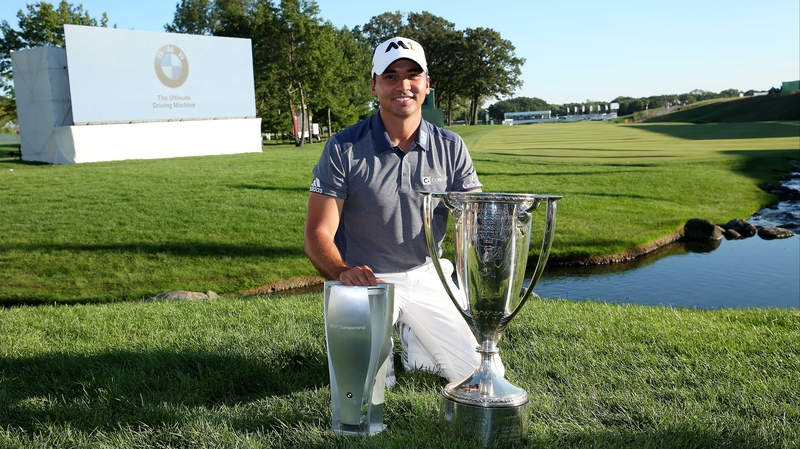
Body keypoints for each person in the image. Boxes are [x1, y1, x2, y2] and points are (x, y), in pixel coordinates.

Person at [304, 37, 496, 383]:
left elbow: (474, 219)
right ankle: (388, 346)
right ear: (374, 85)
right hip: (366, 280)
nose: (403, 85)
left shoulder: (451, 146)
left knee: (482, 377)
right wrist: (342, 271)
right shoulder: (343, 147)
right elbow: (317, 233)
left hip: (428, 273)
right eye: (390, 76)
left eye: (412, 75)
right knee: (363, 390)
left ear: (426, 84)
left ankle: (414, 338)